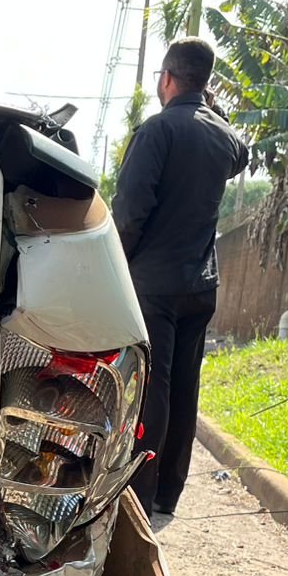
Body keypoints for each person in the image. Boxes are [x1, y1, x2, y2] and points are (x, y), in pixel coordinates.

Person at [113, 37, 249, 527]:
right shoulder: (224, 137)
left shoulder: (156, 131)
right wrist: (212, 107)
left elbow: (130, 213)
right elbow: (242, 154)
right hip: (201, 285)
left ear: (167, 78)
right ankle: (168, 493)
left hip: (155, 285)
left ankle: (139, 497)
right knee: (185, 390)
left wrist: (116, 266)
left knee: (153, 388)